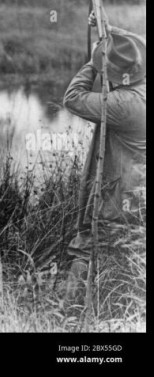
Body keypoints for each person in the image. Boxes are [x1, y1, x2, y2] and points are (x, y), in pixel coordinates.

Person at [62, 16, 146, 305]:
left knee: (85, 246)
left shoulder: (124, 105)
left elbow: (73, 98)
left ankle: (70, 313)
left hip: (119, 193)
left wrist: (95, 61)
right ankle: (123, 305)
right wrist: (109, 30)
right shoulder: (142, 89)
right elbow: (138, 47)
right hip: (138, 190)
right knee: (134, 249)